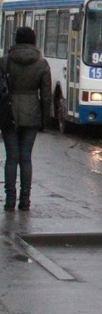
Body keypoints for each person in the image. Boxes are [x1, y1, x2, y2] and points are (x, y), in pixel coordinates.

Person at [1, 27, 52, 211]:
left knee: (11, 158)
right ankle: (25, 200)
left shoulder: (5, 62)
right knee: (26, 158)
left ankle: (9, 200)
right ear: (33, 41)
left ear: (15, 40)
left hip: (8, 114)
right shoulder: (42, 64)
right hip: (32, 115)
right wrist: (45, 119)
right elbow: (46, 95)